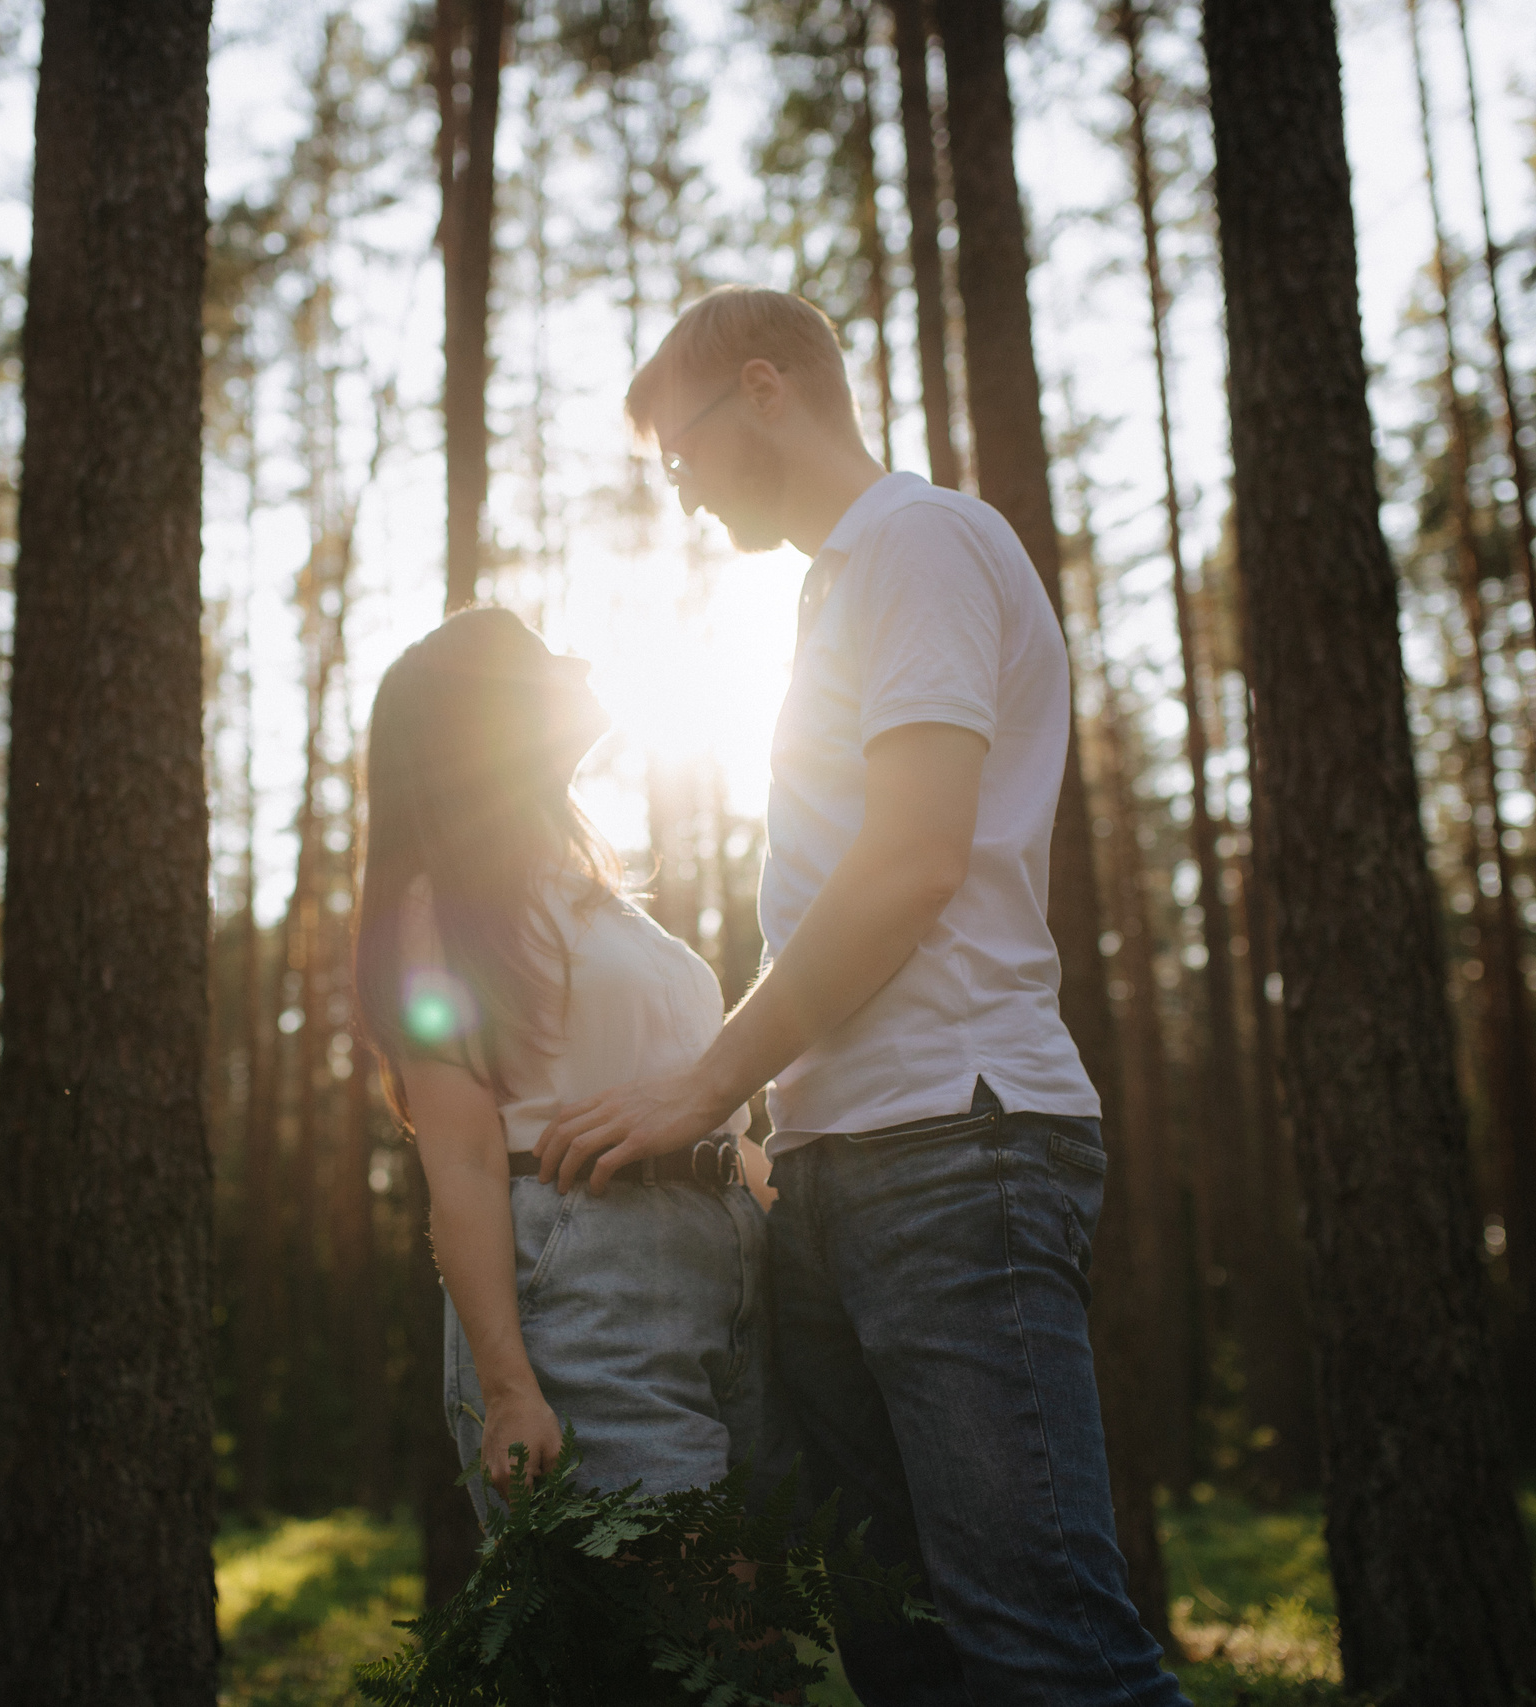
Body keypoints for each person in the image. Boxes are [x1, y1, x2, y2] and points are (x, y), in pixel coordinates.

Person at [533, 286, 1189, 1705]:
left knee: (1046, 1643)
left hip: (956, 1145)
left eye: (680, 455)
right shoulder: (840, 585)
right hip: (849, 1165)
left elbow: (907, 866)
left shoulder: (920, 540)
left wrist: (705, 1082)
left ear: (762, 389)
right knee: (908, 1652)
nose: (684, 494)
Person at [353, 607, 778, 1521]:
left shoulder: (601, 900)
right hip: (588, 1291)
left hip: (729, 1280)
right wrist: (508, 1386)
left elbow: (707, 1109)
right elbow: (461, 1160)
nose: (579, 662)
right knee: (687, 1636)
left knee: (749, 1651)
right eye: (540, 658)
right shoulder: (441, 908)